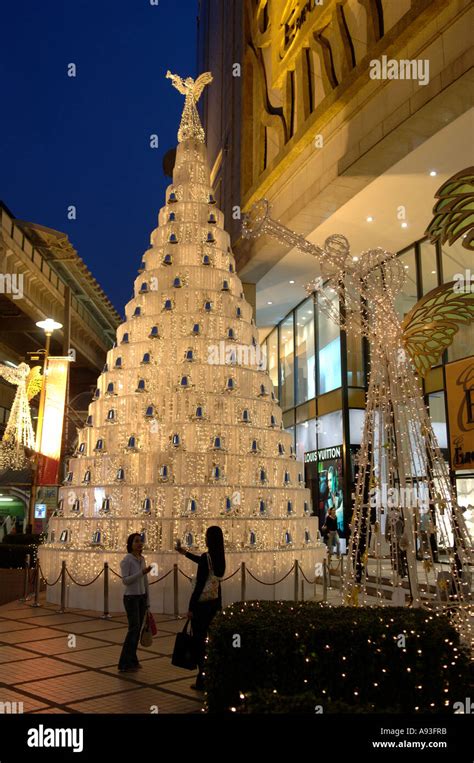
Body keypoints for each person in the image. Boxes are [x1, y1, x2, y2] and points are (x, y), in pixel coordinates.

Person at [176, 525, 225, 691]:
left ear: (209, 539)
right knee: (210, 641)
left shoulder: (207, 557)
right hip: (215, 602)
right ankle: (210, 677)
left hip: (202, 606)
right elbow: (205, 564)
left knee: (199, 642)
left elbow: (199, 586)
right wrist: (186, 553)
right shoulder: (219, 558)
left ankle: (202, 679)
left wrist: (191, 607)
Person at [118, 533, 152, 673]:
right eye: (136, 541)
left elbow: (145, 582)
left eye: (140, 541)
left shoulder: (142, 559)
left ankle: (132, 659)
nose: (139, 543)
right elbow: (125, 580)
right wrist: (141, 573)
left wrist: (148, 600)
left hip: (141, 597)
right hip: (131, 598)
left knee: (136, 631)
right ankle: (124, 662)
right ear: (130, 544)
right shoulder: (127, 560)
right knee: (133, 629)